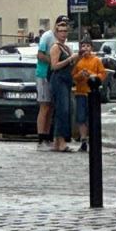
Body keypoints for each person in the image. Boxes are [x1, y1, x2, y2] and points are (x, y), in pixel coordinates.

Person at [48, 19, 78, 153]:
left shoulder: (67, 48)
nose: (64, 34)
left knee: (66, 110)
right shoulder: (55, 47)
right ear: (56, 33)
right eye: (61, 31)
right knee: (62, 110)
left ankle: (57, 141)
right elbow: (54, 66)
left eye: (65, 31)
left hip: (66, 80)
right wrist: (70, 59)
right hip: (58, 80)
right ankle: (60, 141)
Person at [71, 39, 106, 152]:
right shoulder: (78, 62)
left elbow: (102, 74)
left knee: (91, 117)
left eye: (87, 46)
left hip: (92, 93)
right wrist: (80, 75)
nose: (85, 48)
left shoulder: (96, 60)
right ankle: (83, 140)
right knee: (81, 118)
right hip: (80, 92)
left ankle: (93, 139)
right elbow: (73, 76)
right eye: (83, 46)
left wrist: (92, 75)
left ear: (91, 48)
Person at [34, 23, 57, 148]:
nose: (64, 30)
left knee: (51, 107)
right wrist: (54, 61)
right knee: (45, 106)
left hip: (53, 75)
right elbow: (40, 55)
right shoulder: (47, 36)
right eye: (61, 26)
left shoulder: (62, 39)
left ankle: (47, 136)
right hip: (43, 75)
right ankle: (41, 137)